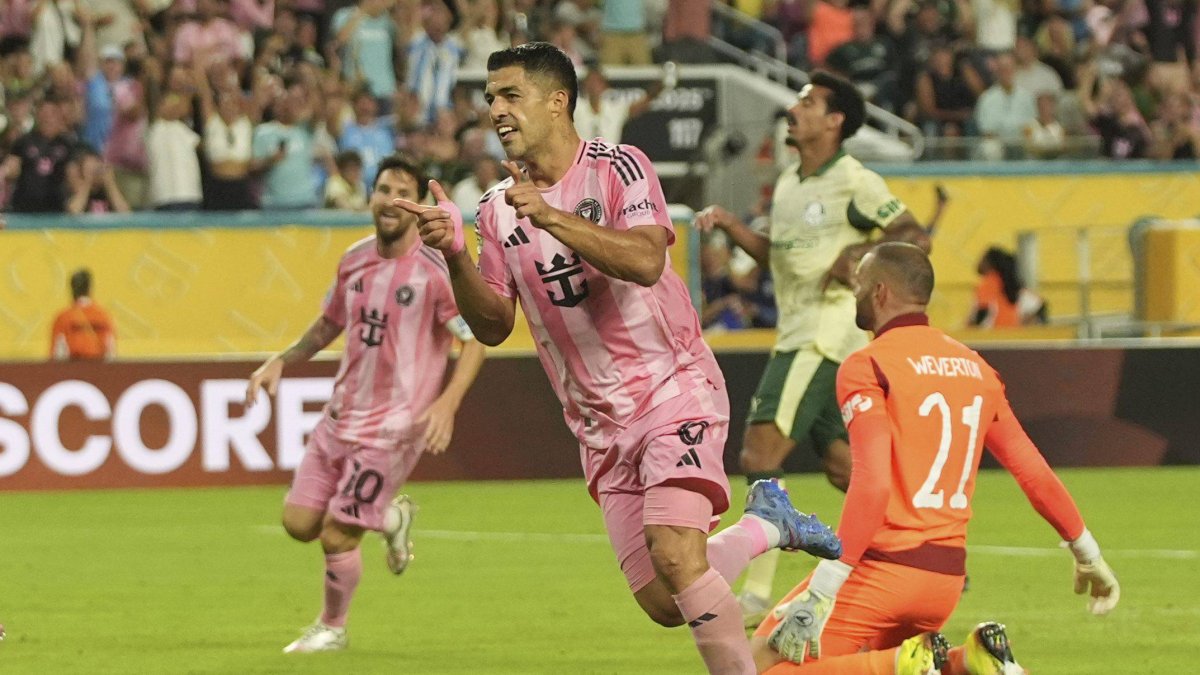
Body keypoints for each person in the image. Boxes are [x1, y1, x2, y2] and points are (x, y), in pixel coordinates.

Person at [397, 42, 841, 675]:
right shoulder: (495, 208)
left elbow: (645, 260)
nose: (495, 109)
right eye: (490, 98)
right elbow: (493, 325)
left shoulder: (619, 167)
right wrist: (453, 257)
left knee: (676, 554)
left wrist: (553, 217)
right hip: (598, 426)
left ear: (558, 102)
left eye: (510, 95)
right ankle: (767, 527)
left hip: (671, 389)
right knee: (664, 599)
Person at [755, 242, 1120, 674]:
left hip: (884, 569)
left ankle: (903, 662)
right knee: (894, 664)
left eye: (859, 285)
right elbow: (1033, 472)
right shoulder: (977, 368)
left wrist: (825, 585)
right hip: (944, 578)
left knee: (759, 664)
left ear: (880, 292)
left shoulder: (867, 365)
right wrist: (1087, 553)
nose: (854, 293)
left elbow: (872, 482)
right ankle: (969, 662)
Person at [692, 70, 929, 625]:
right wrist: (730, 225)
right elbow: (781, 256)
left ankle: (757, 593)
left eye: (808, 102)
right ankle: (921, 550)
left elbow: (915, 235)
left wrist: (860, 256)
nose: (794, 110)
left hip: (823, 335)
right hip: (800, 330)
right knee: (846, 468)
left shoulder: (854, 180)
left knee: (760, 454)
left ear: (835, 121)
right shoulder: (790, 182)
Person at [244, 154, 486, 654]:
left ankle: (332, 628)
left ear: (419, 205)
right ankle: (391, 518)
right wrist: (280, 360)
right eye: (383, 190)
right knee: (299, 524)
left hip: (394, 429)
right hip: (340, 417)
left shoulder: (436, 271)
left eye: (403, 193)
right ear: (370, 197)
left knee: (337, 536)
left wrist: (447, 403)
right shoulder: (353, 259)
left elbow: (475, 340)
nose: (391, 200)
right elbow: (328, 324)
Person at [968, 247, 1046, 328]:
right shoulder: (1015, 288)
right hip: (1011, 333)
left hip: (992, 333)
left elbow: (980, 313)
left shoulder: (988, 284)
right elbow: (1038, 305)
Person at [50, 268, 116, 361]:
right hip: (99, 366)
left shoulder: (63, 317)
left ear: (72, 289)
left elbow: (58, 352)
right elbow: (110, 349)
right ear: (89, 289)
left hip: (73, 367)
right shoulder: (103, 315)